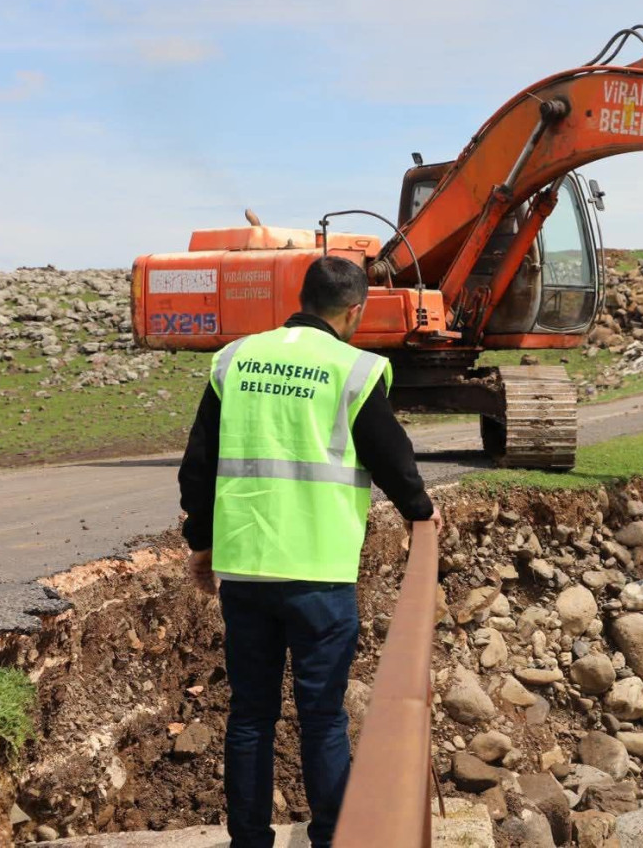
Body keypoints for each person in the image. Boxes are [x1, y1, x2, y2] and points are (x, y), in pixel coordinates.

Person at [178, 256, 440, 848]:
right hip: (320, 573)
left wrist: (202, 542)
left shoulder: (235, 359)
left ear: (300, 299)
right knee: (322, 717)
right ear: (355, 310)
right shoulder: (355, 368)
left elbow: (198, 464)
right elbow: (390, 456)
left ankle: (249, 841)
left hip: (245, 568)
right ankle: (330, 839)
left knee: (251, 716)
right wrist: (420, 509)